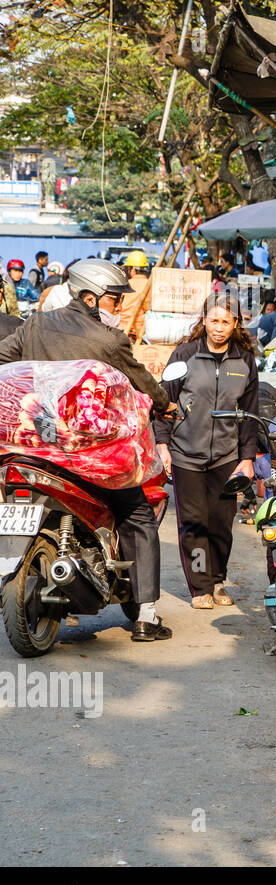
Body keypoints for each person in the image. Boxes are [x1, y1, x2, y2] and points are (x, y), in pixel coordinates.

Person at [0, 258, 177, 641]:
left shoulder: (35, 324)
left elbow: (4, 359)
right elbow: (143, 383)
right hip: (90, 454)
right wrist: (166, 404)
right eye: (115, 300)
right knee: (139, 516)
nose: (118, 307)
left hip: (34, 447)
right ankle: (146, 615)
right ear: (91, 297)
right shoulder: (108, 340)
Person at [154, 292, 260, 609]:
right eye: (213, 320)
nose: (218, 327)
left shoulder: (244, 360)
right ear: (204, 321)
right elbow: (163, 403)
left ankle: (217, 580)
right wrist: (163, 444)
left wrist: (247, 458)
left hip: (227, 457)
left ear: (235, 324)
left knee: (221, 524)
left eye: (225, 322)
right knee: (194, 523)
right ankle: (201, 587)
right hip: (186, 454)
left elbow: (250, 413)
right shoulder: (184, 355)